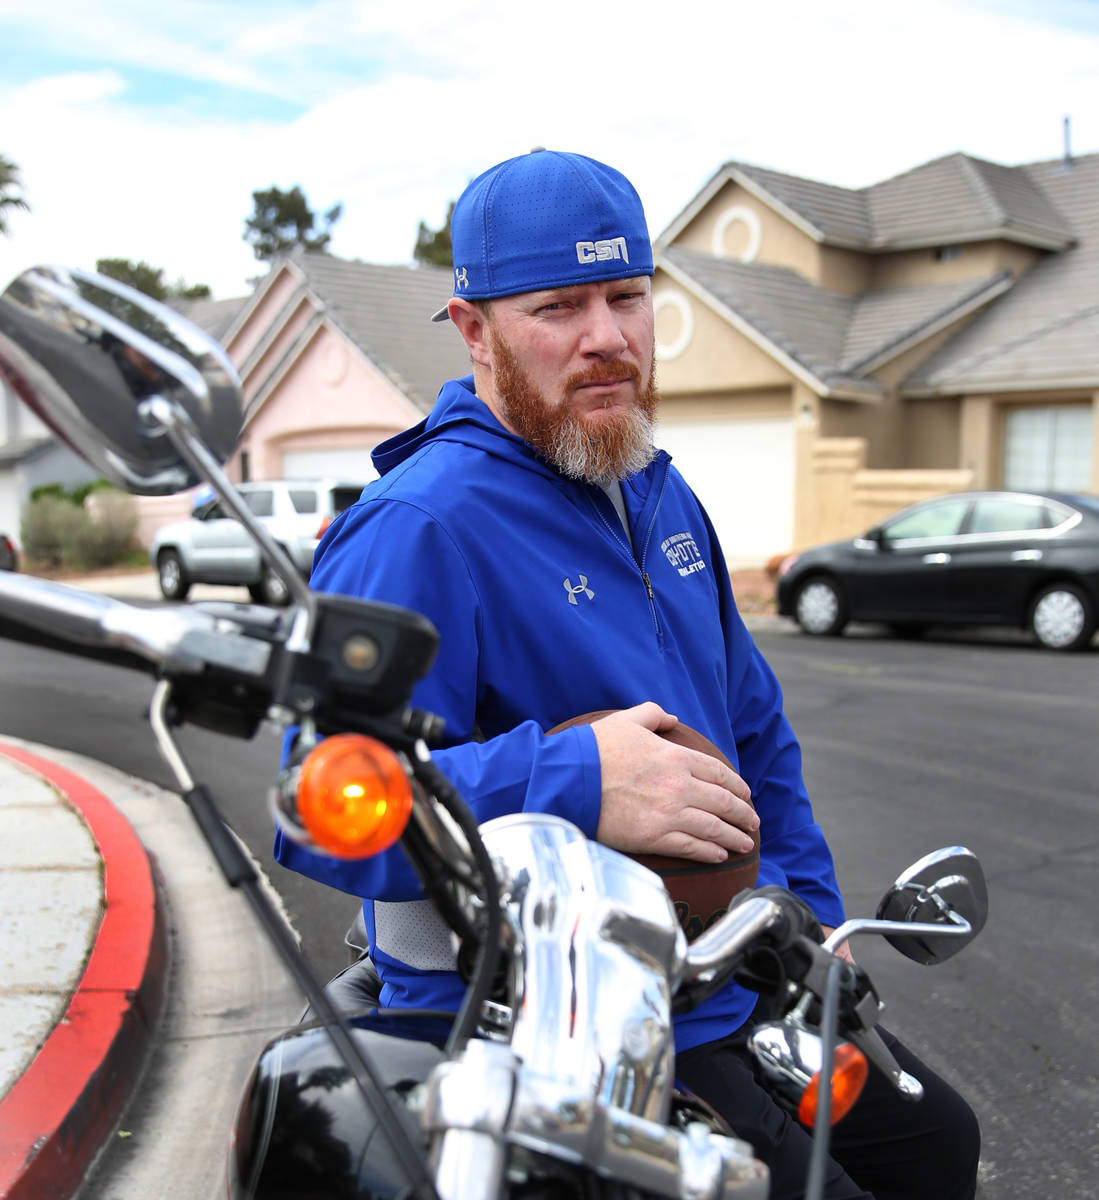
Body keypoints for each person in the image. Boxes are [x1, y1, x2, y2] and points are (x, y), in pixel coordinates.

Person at [275, 149, 979, 1199]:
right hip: (548, 1021)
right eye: (557, 306)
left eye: (627, 298)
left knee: (934, 1144)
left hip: (720, 981)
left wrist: (811, 931)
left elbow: (751, 729)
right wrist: (574, 780)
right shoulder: (419, 526)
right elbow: (318, 799)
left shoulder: (651, 485)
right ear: (475, 330)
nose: (605, 338)